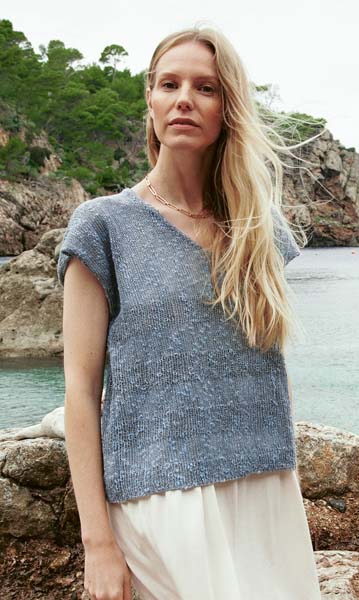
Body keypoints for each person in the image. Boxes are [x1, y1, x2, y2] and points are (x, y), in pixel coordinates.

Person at [58, 24, 323, 600]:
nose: (184, 99)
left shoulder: (258, 228)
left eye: (205, 88)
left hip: (265, 491)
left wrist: (289, 483)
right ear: (150, 101)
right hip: (161, 498)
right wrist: (97, 542)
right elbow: (80, 387)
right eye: (169, 84)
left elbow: (271, 364)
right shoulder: (103, 225)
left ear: (228, 108)